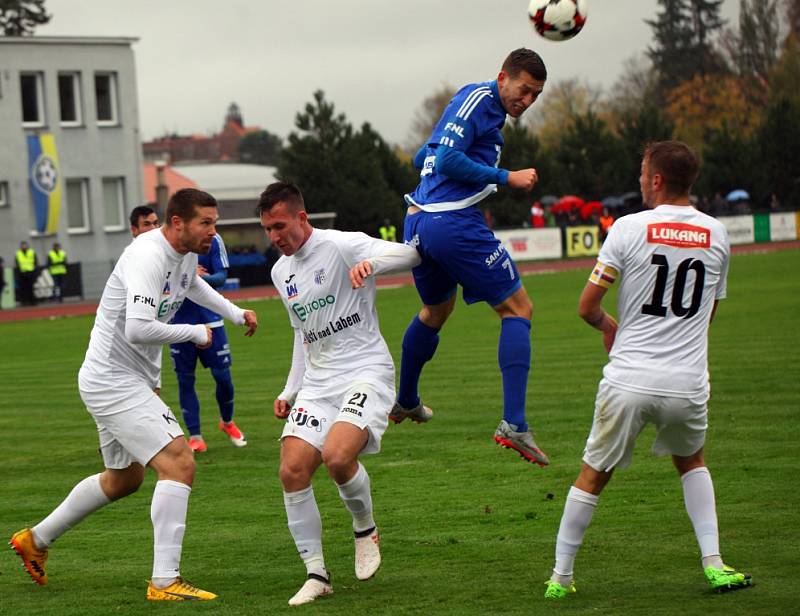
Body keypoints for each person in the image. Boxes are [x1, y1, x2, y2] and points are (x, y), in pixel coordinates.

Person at [9, 188, 258, 601]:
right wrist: (196, 332)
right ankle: (164, 582)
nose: (213, 233)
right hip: (112, 379)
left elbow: (192, 288)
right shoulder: (147, 255)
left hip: (123, 378)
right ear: (177, 222)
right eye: (206, 223)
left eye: (214, 223)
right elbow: (137, 329)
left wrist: (234, 313)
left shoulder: (182, 255)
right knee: (179, 462)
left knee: (124, 479)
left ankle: (35, 540)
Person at [543, 141, 752, 599]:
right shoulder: (717, 234)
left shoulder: (627, 228)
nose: (640, 180)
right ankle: (714, 564)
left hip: (630, 378)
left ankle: (560, 579)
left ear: (656, 179)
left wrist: (609, 325)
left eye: (643, 173)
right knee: (692, 461)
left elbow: (586, 307)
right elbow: (706, 318)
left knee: (593, 474)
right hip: (687, 380)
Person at [259, 182, 420, 606]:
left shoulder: (341, 245)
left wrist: (374, 267)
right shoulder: (281, 272)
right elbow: (302, 333)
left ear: (301, 218)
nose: (275, 237)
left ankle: (365, 529)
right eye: (268, 230)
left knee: (337, 456)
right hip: (318, 382)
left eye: (280, 226)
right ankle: (317, 574)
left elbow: (411, 253)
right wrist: (291, 389)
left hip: (366, 371)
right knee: (292, 470)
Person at [396, 47, 549, 466]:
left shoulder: (477, 106)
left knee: (435, 311)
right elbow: (445, 158)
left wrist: (441, 158)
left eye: (535, 95)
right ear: (503, 78)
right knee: (518, 309)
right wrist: (506, 176)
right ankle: (514, 424)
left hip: (421, 221)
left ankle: (407, 399)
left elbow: (423, 157)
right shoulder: (482, 99)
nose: (527, 101)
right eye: (523, 90)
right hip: (452, 222)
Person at [169, 232, 247, 452]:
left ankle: (227, 421)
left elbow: (221, 277)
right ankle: (195, 437)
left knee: (223, 377)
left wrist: (197, 278)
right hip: (179, 323)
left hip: (210, 319)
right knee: (185, 380)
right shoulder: (169, 241)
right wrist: (184, 276)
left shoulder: (213, 239)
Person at [15, 240, 37, 306]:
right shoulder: (18, 253)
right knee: (23, 288)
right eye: (23, 245)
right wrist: (19, 271)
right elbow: (17, 263)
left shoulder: (32, 252)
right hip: (22, 273)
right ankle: (24, 302)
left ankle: (32, 301)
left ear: (27, 246)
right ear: (21, 246)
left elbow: (35, 261)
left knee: (31, 288)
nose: (24, 246)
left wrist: (34, 270)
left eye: (25, 245)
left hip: (30, 272)